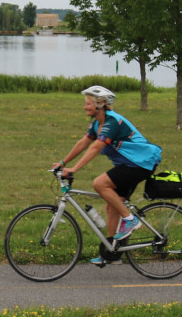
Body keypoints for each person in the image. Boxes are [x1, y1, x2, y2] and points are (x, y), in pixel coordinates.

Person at [53, 85, 161, 266]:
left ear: (100, 104)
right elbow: (83, 143)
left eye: (88, 103)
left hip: (141, 163)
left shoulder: (111, 122)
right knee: (112, 206)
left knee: (100, 184)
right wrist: (63, 163)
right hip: (130, 164)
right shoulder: (98, 123)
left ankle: (130, 220)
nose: (85, 107)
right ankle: (113, 252)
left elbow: (96, 147)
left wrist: (74, 169)